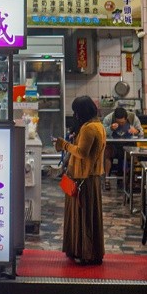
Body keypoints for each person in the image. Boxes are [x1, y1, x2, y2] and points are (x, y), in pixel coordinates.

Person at [53, 96, 106, 265]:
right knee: (86, 216)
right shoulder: (98, 125)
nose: (75, 115)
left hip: (83, 178)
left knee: (82, 217)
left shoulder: (89, 129)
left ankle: (84, 251)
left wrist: (64, 145)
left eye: (76, 111)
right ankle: (83, 250)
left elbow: (82, 153)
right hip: (89, 177)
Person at [101, 106, 142, 187]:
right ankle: (107, 179)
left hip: (128, 145)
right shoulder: (108, 119)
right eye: (118, 123)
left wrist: (136, 131)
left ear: (126, 118)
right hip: (113, 145)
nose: (121, 125)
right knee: (107, 153)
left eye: (122, 123)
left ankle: (131, 179)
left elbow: (141, 133)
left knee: (134, 155)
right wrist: (110, 129)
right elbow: (102, 133)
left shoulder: (133, 118)